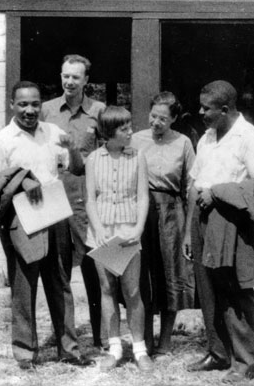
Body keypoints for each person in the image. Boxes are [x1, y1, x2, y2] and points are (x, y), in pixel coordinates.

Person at [0, 81, 94, 370]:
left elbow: (77, 169)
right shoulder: (2, 140)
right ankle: (24, 353)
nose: (29, 110)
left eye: (34, 104)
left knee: (60, 284)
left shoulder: (54, 133)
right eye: (23, 104)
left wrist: (74, 150)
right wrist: (23, 178)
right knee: (23, 287)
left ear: (40, 105)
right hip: (22, 221)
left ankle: (69, 349)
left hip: (55, 215)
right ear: (12, 105)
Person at [183, 80, 254, 383]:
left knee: (235, 290)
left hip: (233, 223)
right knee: (207, 289)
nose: (200, 113)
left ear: (224, 109)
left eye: (205, 108)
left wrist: (220, 192)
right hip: (203, 220)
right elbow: (195, 186)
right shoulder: (207, 138)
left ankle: (245, 362)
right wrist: (188, 232)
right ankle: (218, 352)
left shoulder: (250, 138)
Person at [41, 54, 106, 349]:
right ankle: (64, 335)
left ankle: (102, 335)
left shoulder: (99, 111)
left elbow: (107, 156)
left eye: (75, 77)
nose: (69, 82)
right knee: (58, 269)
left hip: (85, 198)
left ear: (86, 81)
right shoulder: (45, 110)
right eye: (65, 76)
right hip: (55, 196)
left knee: (94, 265)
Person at [85, 106, 153, 372]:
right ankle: (114, 348)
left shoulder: (137, 157)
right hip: (102, 233)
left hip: (128, 232)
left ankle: (139, 349)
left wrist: (138, 228)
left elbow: (143, 196)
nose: (130, 132)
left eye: (129, 126)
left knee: (133, 290)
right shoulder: (93, 159)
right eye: (124, 128)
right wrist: (99, 228)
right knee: (107, 289)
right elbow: (90, 198)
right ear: (110, 132)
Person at [131, 92, 196, 356]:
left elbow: (191, 186)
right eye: (153, 116)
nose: (156, 122)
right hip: (141, 211)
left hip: (172, 212)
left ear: (174, 119)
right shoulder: (136, 140)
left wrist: (189, 228)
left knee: (172, 273)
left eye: (163, 118)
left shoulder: (183, 143)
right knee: (142, 274)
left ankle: (166, 341)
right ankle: (143, 339)